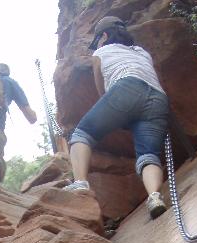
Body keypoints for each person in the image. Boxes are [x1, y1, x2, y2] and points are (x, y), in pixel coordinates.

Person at [63, 16, 170, 220]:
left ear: (103, 36)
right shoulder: (141, 52)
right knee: (148, 154)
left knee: (82, 134)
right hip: (157, 99)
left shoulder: (101, 53)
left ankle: (81, 184)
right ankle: (155, 197)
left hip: (125, 89)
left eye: (97, 40)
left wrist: (117, 114)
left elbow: (102, 90)